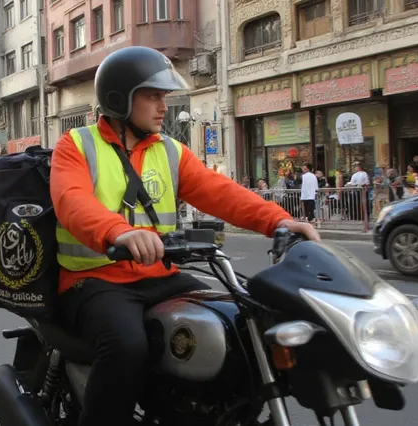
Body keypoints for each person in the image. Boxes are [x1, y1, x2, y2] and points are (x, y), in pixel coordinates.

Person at [49, 46, 320, 426]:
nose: (163, 106)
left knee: (239, 322)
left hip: (159, 277)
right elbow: (71, 201)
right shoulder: (77, 145)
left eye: (165, 97)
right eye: (153, 96)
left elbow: (221, 192)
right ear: (120, 99)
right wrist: (119, 232)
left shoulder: (171, 151)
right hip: (94, 281)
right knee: (126, 347)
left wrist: (278, 221)